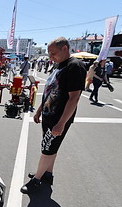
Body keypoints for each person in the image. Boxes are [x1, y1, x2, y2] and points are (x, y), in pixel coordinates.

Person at [20, 37, 86, 194]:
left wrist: (62, 123)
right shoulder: (60, 65)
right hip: (50, 115)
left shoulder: (74, 66)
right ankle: (47, 174)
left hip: (58, 118)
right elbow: (51, 91)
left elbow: (74, 97)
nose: (50, 57)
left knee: (47, 149)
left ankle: (36, 179)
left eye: (53, 53)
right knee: (50, 147)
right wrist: (39, 110)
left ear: (64, 48)